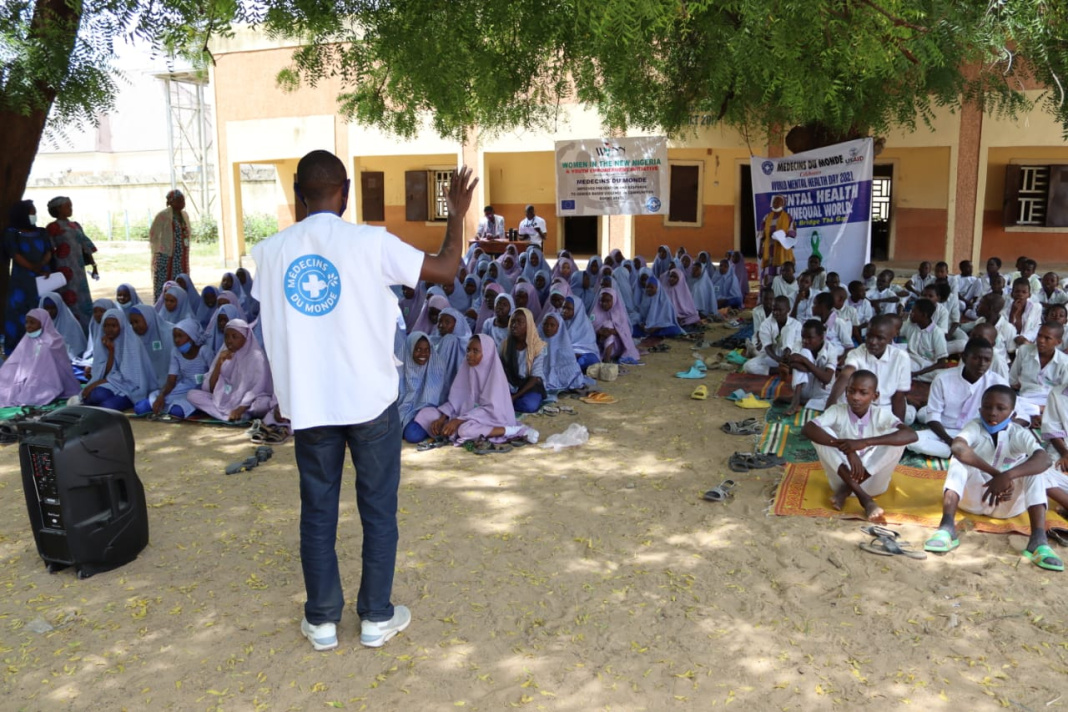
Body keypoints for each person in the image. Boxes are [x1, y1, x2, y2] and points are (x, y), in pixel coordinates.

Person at [250, 150, 477, 651]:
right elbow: (444, 270)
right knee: (378, 510)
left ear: (297, 192)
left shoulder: (269, 253)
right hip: (370, 400)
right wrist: (456, 214)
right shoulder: (370, 243)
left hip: (311, 404)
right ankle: (376, 617)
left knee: (318, 511)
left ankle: (323, 620)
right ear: (347, 192)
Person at [924, 385, 1061, 571]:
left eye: (1001, 408)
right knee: (959, 460)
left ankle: (1038, 542)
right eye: (987, 407)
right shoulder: (974, 427)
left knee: (1035, 470)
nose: (993, 413)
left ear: (1013, 414)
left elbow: (1044, 459)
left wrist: (1008, 476)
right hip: (973, 498)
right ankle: (946, 529)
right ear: (980, 410)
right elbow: (958, 447)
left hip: (1007, 504)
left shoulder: (1018, 434)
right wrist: (998, 476)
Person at [802, 370, 918, 523]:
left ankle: (847, 491)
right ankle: (864, 499)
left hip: (874, 483)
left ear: (874, 396)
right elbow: (807, 429)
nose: (856, 397)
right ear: (846, 392)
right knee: (822, 433)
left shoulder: (881, 414)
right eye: (851, 391)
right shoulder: (837, 411)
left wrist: (864, 443)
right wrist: (847, 449)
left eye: (863, 393)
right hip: (841, 477)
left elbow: (912, 435)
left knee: (896, 436)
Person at [413, 334, 531, 445]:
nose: (469, 355)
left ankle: (511, 430)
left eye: (476, 351)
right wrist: (442, 418)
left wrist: (459, 420)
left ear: (487, 354)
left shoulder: (495, 377)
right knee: (426, 413)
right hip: (464, 416)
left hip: (490, 420)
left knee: (465, 430)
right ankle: (450, 429)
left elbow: (491, 410)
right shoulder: (466, 369)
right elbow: (455, 402)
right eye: (468, 350)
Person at [909, 337, 1006, 458]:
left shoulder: (998, 383)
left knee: (999, 446)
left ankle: (957, 452)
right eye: (976, 358)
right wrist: (951, 442)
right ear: (964, 358)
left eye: (987, 360)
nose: (982, 364)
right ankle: (963, 454)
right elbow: (933, 417)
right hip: (946, 430)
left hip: (976, 433)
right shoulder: (943, 379)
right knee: (913, 441)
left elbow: (1007, 416)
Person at [827, 314, 912, 423]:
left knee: (907, 419)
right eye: (869, 336)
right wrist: (828, 409)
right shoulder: (857, 353)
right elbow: (845, 375)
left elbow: (899, 397)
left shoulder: (901, 357)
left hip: (885, 407)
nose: (872, 342)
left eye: (880, 338)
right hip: (858, 406)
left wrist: (898, 427)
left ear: (891, 338)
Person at [186, 320, 273, 422]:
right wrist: (219, 364)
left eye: (234, 336)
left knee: (263, 404)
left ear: (246, 337)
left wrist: (241, 407)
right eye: (226, 336)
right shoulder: (224, 354)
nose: (229, 340)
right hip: (226, 399)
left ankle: (237, 415)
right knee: (192, 395)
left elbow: (257, 389)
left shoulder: (257, 357)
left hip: (247, 404)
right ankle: (228, 417)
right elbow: (211, 388)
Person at [134, 319, 215, 418]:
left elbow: (214, 376)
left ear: (191, 337)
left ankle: (198, 410)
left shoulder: (204, 351)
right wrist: (161, 396)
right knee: (141, 408)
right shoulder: (175, 352)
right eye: (175, 336)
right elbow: (171, 381)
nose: (176, 340)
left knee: (176, 412)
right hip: (183, 388)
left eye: (180, 336)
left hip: (200, 391)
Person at [0, 309, 80, 407]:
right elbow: (16, 361)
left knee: (29, 395)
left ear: (43, 323)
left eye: (32, 322)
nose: (28, 326)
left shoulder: (53, 341)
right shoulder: (27, 339)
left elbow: (43, 368)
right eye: (27, 322)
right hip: (28, 375)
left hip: (48, 377)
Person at [81, 307, 156, 411]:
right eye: (106, 326)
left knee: (107, 406)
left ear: (121, 325)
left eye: (114, 326)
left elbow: (128, 378)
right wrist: (111, 351)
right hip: (113, 383)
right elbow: (103, 372)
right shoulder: (103, 342)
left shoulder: (132, 342)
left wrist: (94, 384)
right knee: (96, 395)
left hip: (131, 387)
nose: (109, 329)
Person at [3, 200, 52, 355]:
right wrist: (33, 267)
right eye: (31, 212)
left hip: (41, 279)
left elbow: (49, 251)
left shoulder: (42, 232)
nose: (34, 215)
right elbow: (15, 254)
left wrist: (42, 265)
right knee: (18, 314)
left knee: (40, 311)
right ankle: (16, 351)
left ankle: (40, 350)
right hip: (21, 282)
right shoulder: (12, 233)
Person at [44, 196, 98, 331]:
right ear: (58, 209)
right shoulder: (52, 227)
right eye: (67, 206)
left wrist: (93, 265)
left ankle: (86, 330)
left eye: (70, 206)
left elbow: (85, 245)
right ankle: (71, 331)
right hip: (63, 268)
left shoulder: (76, 225)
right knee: (68, 298)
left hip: (78, 269)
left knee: (82, 298)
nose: (70, 209)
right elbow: (49, 249)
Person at [1008, 322, 1068, 423]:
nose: (1040, 340)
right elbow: (1012, 379)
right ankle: (1040, 412)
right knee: (1008, 403)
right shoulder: (1024, 351)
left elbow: (1065, 394)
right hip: (1026, 400)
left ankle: (1035, 416)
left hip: (1050, 403)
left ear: (1058, 342)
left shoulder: (1065, 362)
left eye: (1047, 338)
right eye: (1039, 336)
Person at [396, 332, 447, 444]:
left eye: (427, 350)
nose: (423, 354)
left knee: (412, 435)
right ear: (409, 349)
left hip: (427, 412)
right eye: (418, 349)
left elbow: (444, 399)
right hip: (403, 410)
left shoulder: (438, 366)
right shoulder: (398, 369)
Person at [785, 319, 841, 414]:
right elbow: (792, 362)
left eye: (810, 338)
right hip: (803, 389)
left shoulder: (831, 350)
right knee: (805, 352)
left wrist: (804, 361)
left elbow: (827, 379)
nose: (805, 341)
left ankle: (801, 401)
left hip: (822, 394)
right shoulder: (799, 344)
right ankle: (795, 400)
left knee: (834, 404)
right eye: (803, 337)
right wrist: (813, 369)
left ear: (821, 337)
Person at [500, 307, 547, 413]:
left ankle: (510, 403)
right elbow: (500, 369)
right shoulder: (505, 345)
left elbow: (535, 378)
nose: (514, 325)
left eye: (519, 322)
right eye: (513, 321)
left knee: (528, 405)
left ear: (528, 325)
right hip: (510, 383)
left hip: (530, 385)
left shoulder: (537, 347)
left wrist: (514, 397)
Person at [149, 190, 192, 302]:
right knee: (165, 284)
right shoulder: (163, 216)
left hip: (181, 257)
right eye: (179, 201)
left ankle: (180, 305)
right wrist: (162, 248)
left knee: (181, 282)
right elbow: (153, 235)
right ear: (171, 202)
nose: (182, 203)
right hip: (166, 257)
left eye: (183, 201)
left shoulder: (184, 216)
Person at [742, 296, 801, 375]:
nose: (776, 313)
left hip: (792, 358)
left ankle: (787, 365)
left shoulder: (796, 324)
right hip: (775, 357)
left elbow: (797, 346)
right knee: (747, 366)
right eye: (774, 309)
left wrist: (788, 357)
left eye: (780, 310)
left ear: (788, 310)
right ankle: (779, 370)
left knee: (788, 329)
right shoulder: (766, 324)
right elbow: (767, 347)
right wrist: (778, 360)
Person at [538, 312, 587, 396]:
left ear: (559, 327)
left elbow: (569, 362)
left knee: (574, 373)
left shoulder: (563, 341)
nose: (548, 328)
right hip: (541, 370)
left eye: (552, 325)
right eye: (545, 324)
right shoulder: (537, 339)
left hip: (560, 370)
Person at [901, 298, 948, 383]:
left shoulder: (937, 333)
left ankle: (911, 375)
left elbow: (942, 363)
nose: (910, 314)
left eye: (913, 312)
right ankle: (910, 375)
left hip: (926, 366)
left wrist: (916, 373)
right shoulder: (910, 325)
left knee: (941, 376)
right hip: (909, 359)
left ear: (924, 315)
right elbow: (895, 332)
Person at [128, 304, 174, 389]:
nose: (134, 326)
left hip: (170, 383)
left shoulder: (169, 334)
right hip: (143, 382)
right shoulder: (133, 336)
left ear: (148, 318)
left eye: (137, 322)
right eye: (132, 323)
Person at [591, 288, 641, 364]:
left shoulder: (619, 314)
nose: (604, 303)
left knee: (609, 326)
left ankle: (607, 359)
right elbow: (590, 331)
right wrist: (599, 332)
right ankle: (606, 358)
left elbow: (625, 333)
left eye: (608, 301)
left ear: (614, 300)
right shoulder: (595, 312)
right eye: (602, 301)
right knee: (608, 325)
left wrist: (612, 331)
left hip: (617, 346)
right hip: (600, 345)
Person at [38, 291, 87, 362]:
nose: (49, 311)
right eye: (46, 308)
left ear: (59, 307)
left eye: (52, 308)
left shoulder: (70, 325)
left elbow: (77, 352)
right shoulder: (39, 325)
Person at [758, 194, 795, 283]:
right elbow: (762, 235)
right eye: (775, 201)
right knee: (768, 277)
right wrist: (760, 250)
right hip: (768, 252)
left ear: (783, 204)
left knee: (781, 275)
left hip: (782, 252)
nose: (776, 203)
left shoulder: (788, 218)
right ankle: (768, 293)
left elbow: (792, 234)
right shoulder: (767, 217)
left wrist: (782, 237)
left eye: (779, 201)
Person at [562, 297, 600, 372]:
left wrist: (576, 354)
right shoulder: (559, 322)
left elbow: (588, 347)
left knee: (589, 359)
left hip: (582, 354)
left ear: (577, 310)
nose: (564, 311)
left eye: (569, 309)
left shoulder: (586, 325)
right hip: (565, 355)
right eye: (563, 308)